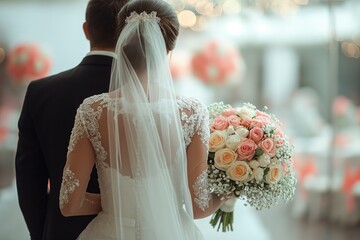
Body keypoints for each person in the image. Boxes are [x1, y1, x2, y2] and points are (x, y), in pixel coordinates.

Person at [59, 0, 229, 239]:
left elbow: (69, 203)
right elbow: (199, 207)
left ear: (121, 45)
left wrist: (115, 202)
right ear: (167, 51)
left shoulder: (91, 110)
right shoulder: (192, 112)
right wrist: (228, 193)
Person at [15, 0, 127, 239]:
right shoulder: (150, 96)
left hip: (63, 229)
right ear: (132, 33)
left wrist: (44, 233)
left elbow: (29, 182)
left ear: (86, 29)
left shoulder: (41, 92)